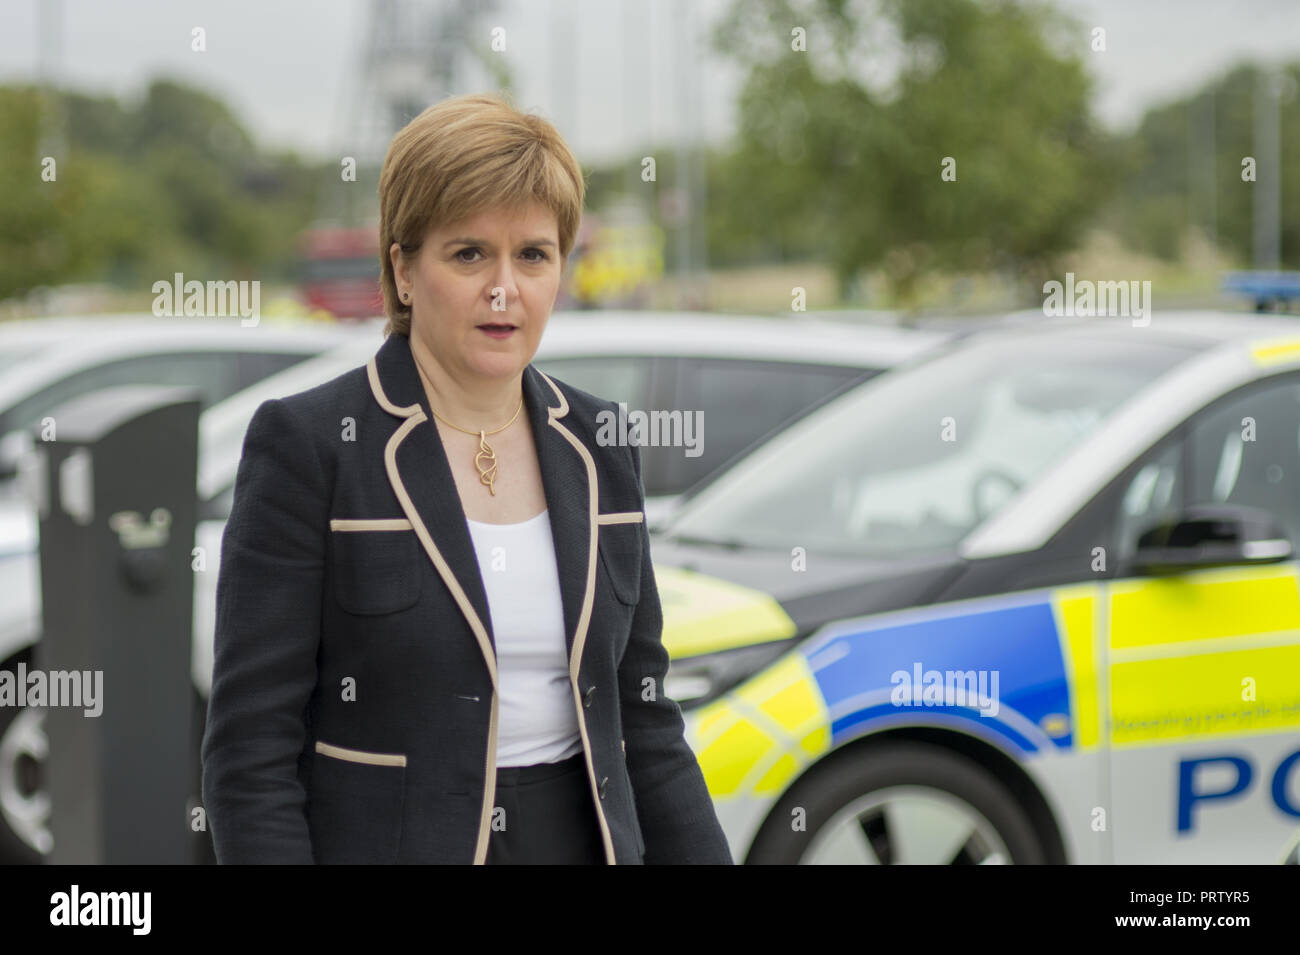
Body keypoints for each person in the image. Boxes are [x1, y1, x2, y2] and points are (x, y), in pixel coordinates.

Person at [200, 91, 733, 865]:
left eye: (533, 254)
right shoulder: (310, 446)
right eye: (469, 252)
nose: (504, 289)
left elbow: (645, 724)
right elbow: (250, 756)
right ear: (403, 270)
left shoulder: (600, 442)